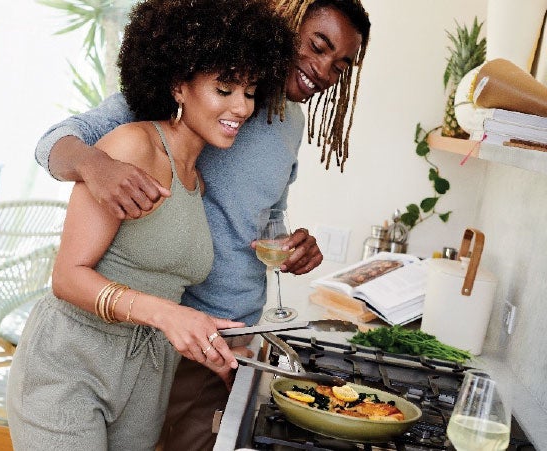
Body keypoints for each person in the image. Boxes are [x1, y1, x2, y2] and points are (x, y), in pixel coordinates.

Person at [33, 0, 371, 448]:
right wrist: (96, 166)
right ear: (285, 24)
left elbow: (263, 214)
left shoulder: (290, 124)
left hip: (229, 338)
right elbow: (54, 143)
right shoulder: (196, 84)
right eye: (317, 46)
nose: (325, 71)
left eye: (340, 65)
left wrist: (290, 244)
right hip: (158, 332)